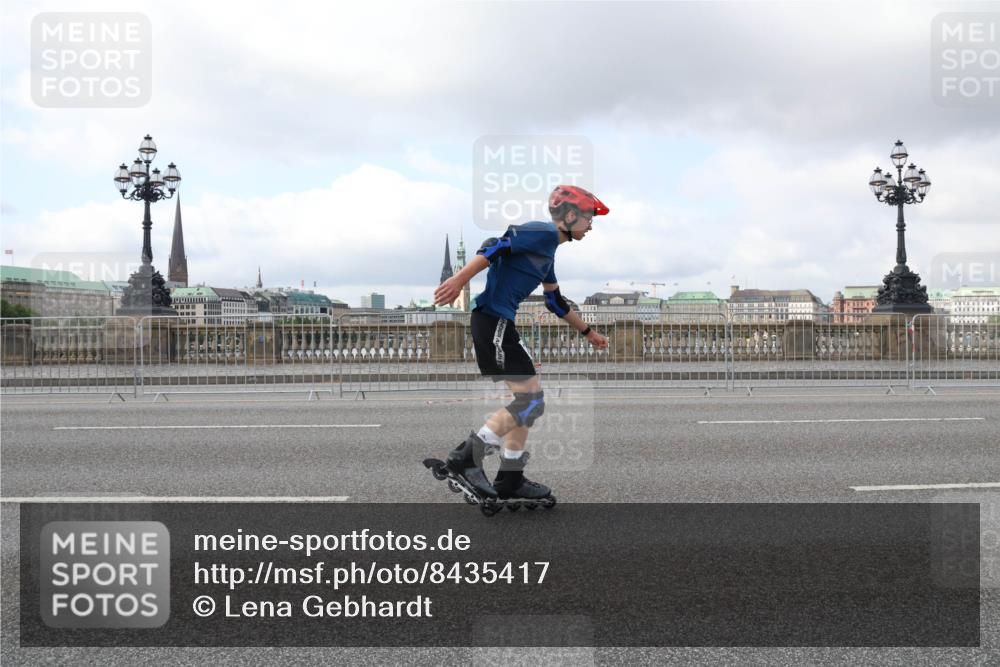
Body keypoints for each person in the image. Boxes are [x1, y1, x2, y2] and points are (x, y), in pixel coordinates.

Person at [432, 185, 610, 502]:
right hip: (493, 320)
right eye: (588, 217)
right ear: (570, 216)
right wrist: (460, 279)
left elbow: (554, 301)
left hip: (501, 324)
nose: (591, 225)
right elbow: (496, 246)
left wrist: (588, 333)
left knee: (530, 405)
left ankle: (511, 478)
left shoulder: (547, 251)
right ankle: (465, 458)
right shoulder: (541, 233)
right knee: (530, 402)